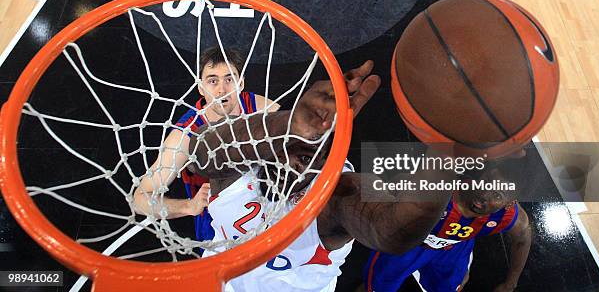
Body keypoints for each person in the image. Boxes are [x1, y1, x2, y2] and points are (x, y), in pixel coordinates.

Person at [187, 61, 456, 291]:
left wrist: (447, 148)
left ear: (325, 164)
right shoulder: (243, 152)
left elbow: (392, 233)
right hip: (221, 283)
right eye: (285, 147)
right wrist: (288, 124)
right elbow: (200, 152)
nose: (287, 164)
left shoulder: (337, 194)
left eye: (305, 159)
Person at [133, 46, 279, 242]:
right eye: (213, 81)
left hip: (265, 206)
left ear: (241, 83)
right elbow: (140, 199)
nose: (222, 89)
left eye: (230, 79)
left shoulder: (259, 108)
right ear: (201, 87)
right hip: (217, 226)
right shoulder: (186, 135)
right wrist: (188, 206)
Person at [362, 157, 532, 292]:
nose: (483, 194)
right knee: (376, 285)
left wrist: (510, 283)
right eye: (486, 181)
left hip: (452, 249)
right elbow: (397, 183)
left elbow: (523, 239)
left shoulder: (509, 217)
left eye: (497, 195)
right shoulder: (439, 189)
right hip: (410, 242)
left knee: (453, 285)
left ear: (509, 204)